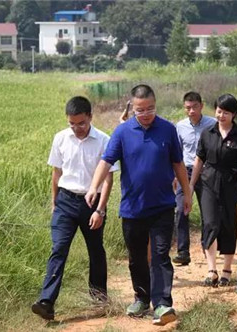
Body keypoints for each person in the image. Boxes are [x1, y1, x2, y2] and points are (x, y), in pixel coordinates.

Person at [85, 85, 192, 326]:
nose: (145, 114)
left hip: (163, 206)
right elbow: (106, 161)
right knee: (136, 258)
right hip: (132, 208)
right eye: (140, 110)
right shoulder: (122, 132)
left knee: (160, 254)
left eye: (150, 109)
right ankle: (142, 298)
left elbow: (178, 164)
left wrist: (187, 193)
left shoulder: (167, 130)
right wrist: (94, 186)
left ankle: (163, 303)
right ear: (132, 108)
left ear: (156, 105)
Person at [32, 96, 118, 320]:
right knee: (58, 248)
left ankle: (99, 299)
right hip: (65, 202)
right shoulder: (60, 138)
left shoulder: (104, 140)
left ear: (90, 117)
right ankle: (47, 302)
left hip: (92, 203)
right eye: (72, 123)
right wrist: (54, 202)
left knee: (95, 250)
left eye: (81, 123)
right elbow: (56, 173)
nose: (77, 128)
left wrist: (100, 210)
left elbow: (108, 179)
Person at [189, 94, 237, 287]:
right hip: (208, 182)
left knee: (228, 225)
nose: (221, 115)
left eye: (226, 112)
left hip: (231, 184)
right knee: (210, 224)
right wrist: (191, 184)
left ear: (234, 114)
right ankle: (211, 269)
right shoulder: (207, 133)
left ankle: (227, 269)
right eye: (219, 111)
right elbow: (199, 160)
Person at [172, 91, 216, 265]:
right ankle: (183, 251)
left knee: (208, 211)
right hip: (186, 171)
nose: (192, 111)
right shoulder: (180, 126)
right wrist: (174, 175)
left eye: (195, 107)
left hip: (207, 172)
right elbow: (176, 153)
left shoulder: (212, 124)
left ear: (201, 106)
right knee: (181, 209)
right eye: (188, 108)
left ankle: (208, 247)